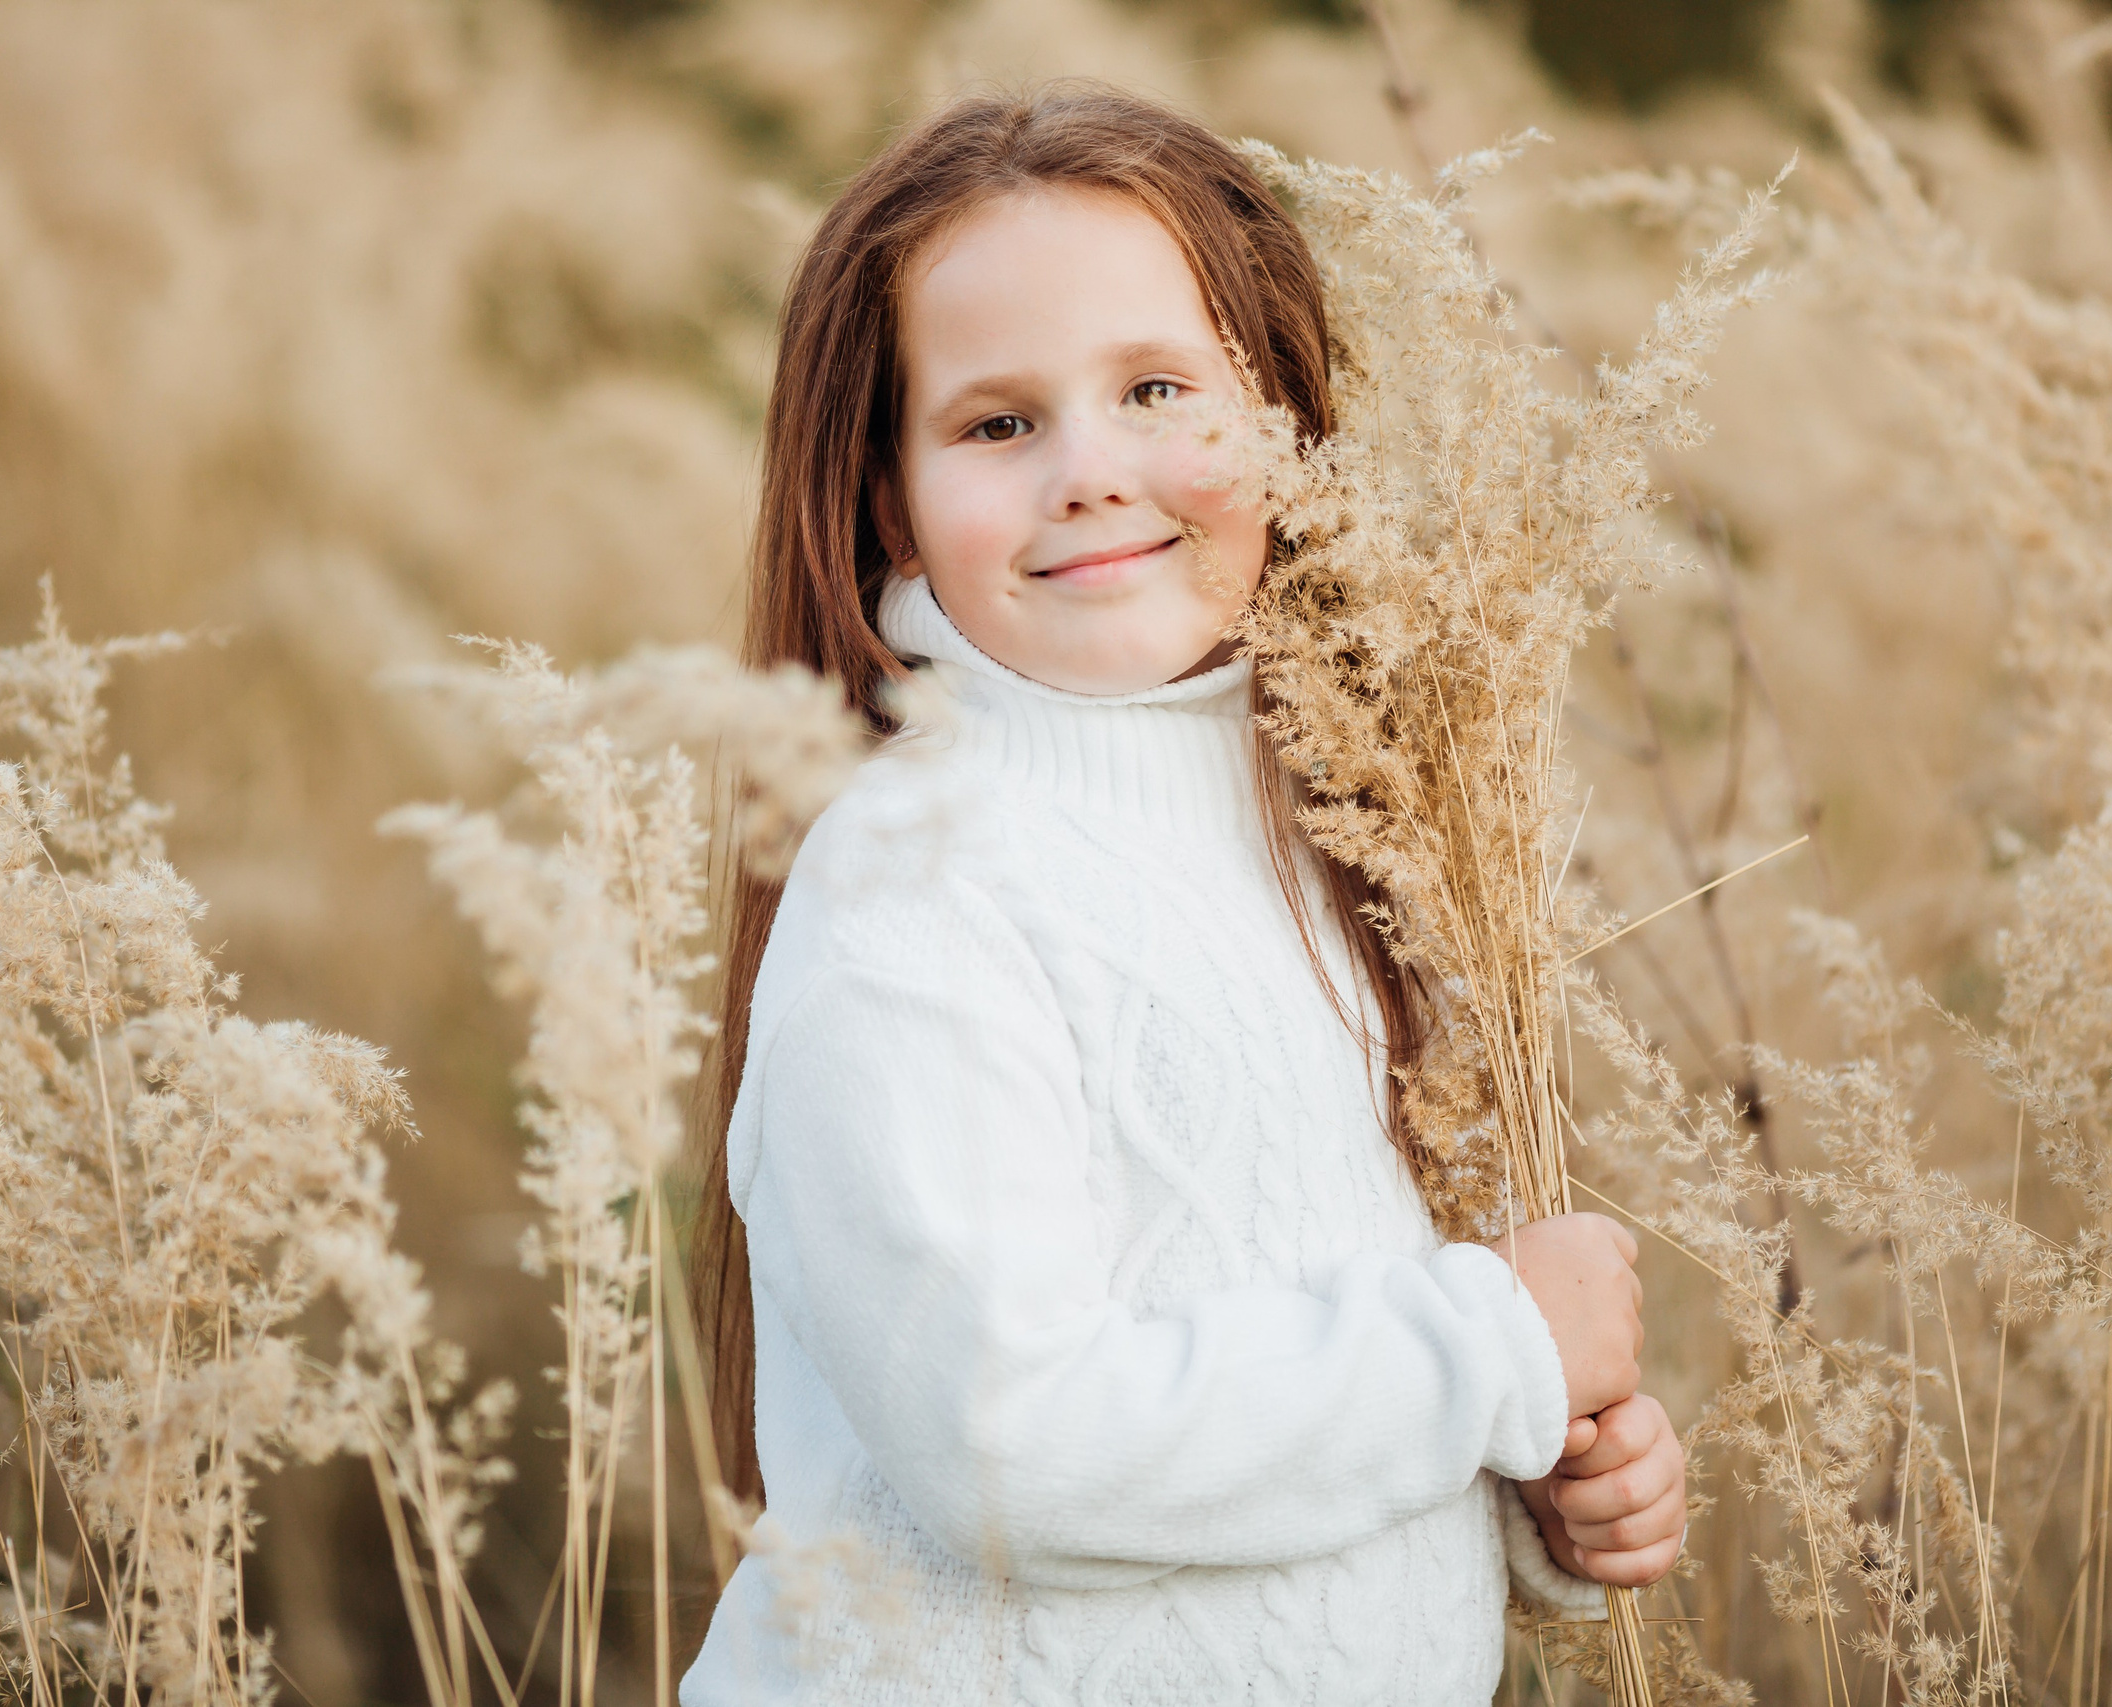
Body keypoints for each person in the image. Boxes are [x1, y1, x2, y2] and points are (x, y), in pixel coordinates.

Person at [681, 82, 1687, 1706]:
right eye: (997, 424)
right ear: (889, 500)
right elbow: (1013, 1451)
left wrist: (1525, 1480)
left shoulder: (1326, 821)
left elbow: (1270, 1331)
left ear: (1284, 424)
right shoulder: (916, 892)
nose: (1090, 471)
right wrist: (1488, 1347)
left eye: (1157, 388)